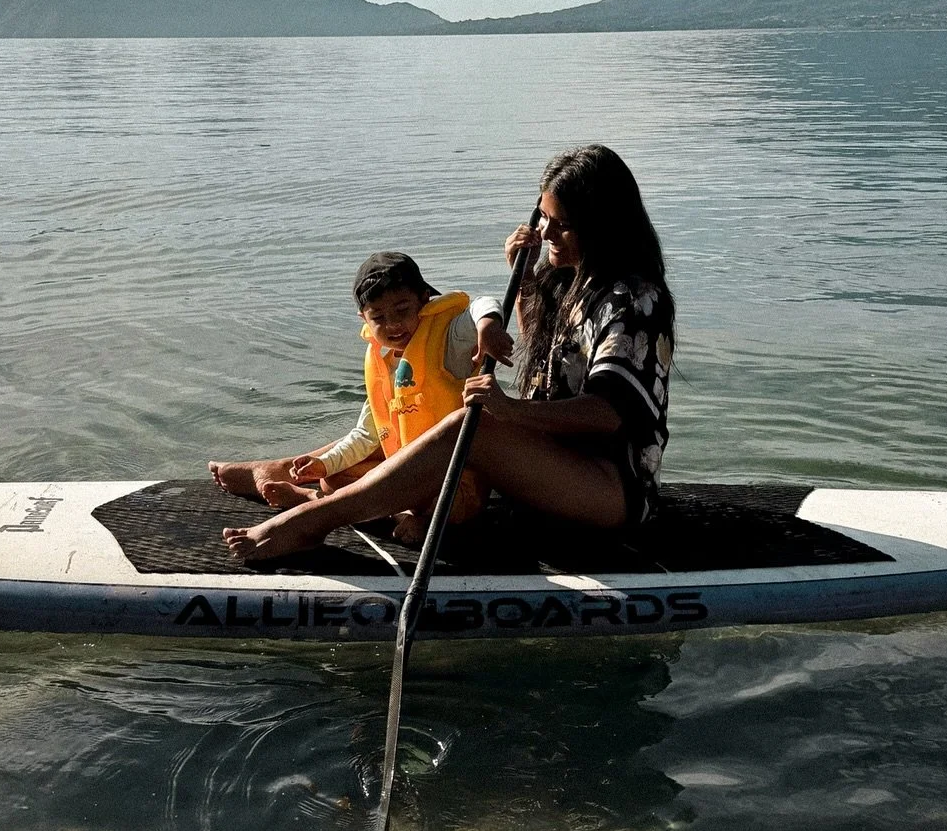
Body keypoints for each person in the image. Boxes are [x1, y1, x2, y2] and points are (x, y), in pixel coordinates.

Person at [223, 145, 674, 563]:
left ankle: (309, 522)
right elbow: (543, 356)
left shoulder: (633, 301)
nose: (546, 232)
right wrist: (522, 274)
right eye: (542, 217)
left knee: (468, 426)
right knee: (406, 420)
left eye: (563, 224)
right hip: (549, 464)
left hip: (611, 487)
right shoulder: (569, 278)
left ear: (601, 224)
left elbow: (606, 414)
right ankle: (292, 475)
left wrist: (508, 412)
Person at [209, 252, 513, 538]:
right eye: (378, 317)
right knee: (334, 478)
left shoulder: (449, 338)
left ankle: (401, 517)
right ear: (363, 319)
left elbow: (484, 302)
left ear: (424, 300)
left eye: (402, 309)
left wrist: (487, 327)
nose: (392, 323)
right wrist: (324, 464)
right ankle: (318, 497)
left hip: (456, 481)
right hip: (408, 477)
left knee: (441, 504)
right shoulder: (383, 365)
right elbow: (366, 435)